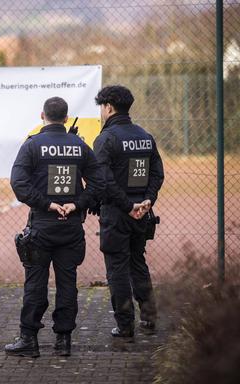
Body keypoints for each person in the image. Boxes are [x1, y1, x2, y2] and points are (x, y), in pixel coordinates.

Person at [6, 96, 105, 357]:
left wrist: (46, 204)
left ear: (42, 116)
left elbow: (18, 183)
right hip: (71, 227)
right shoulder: (80, 146)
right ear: (66, 118)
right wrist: (77, 204)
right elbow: (99, 183)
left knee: (35, 283)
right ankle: (63, 341)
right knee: (67, 283)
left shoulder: (32, 145)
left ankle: (29, 340)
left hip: (42, 226)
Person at [92, 85, 164, 339]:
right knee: (137, 262)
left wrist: (127, 205)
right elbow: (157, 173)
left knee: (117, 270)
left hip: (117, 214)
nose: (101, 112)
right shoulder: (145, 136)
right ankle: (149, 317)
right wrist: (147, 201)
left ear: (109, 107)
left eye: (101, 107)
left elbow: (103, 180)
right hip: (142, 214)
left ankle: (125, 326)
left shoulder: (106, 139)